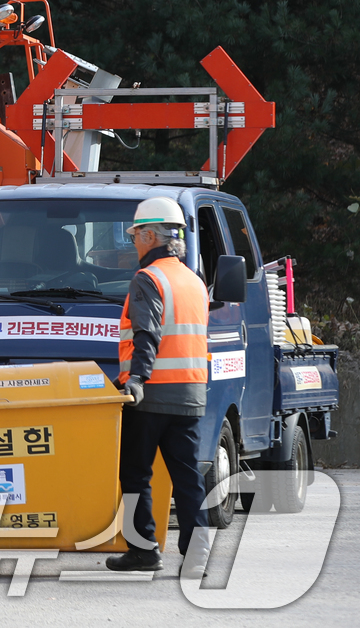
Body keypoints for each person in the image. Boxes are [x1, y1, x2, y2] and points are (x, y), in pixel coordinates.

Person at [108, 196, 211, 579]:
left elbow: (146, 334)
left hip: (150, 396)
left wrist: (136, 379)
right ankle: (197, 556)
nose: (134, 243)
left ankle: (143, 550)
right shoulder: (194, 282)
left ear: (151, 235)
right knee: (187, 478)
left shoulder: (149, 279)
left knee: (135, 473)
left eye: (136, 235)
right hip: (190, 394)